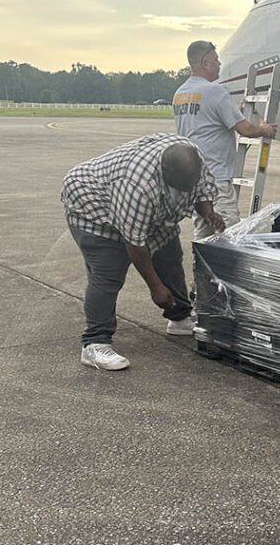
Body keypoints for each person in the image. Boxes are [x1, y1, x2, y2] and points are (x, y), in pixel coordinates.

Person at [62, 134, 224, 371]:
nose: (186, 192)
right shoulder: (137, 185)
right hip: (93, 205)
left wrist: (208, 211)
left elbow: (201, 190)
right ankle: (94, 343)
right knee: (109, 271)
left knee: (169, 257)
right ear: (164, 171)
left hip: (152, 213)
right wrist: (155, 287)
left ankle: (179, 318)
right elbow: (135, 243)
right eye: (181, 187)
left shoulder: (192, 159)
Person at [173, 40, 277, 239]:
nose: (219, 63)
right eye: (216, 59)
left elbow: (206, 121)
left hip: (195, 178)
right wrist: (264, 129)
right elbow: (245, 129)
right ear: (205, 63)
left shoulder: (180, 94)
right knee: (230, 234)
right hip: (216, 178)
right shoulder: (215, 91)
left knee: (204, 233)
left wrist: (234, 112)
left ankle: (202, 269)